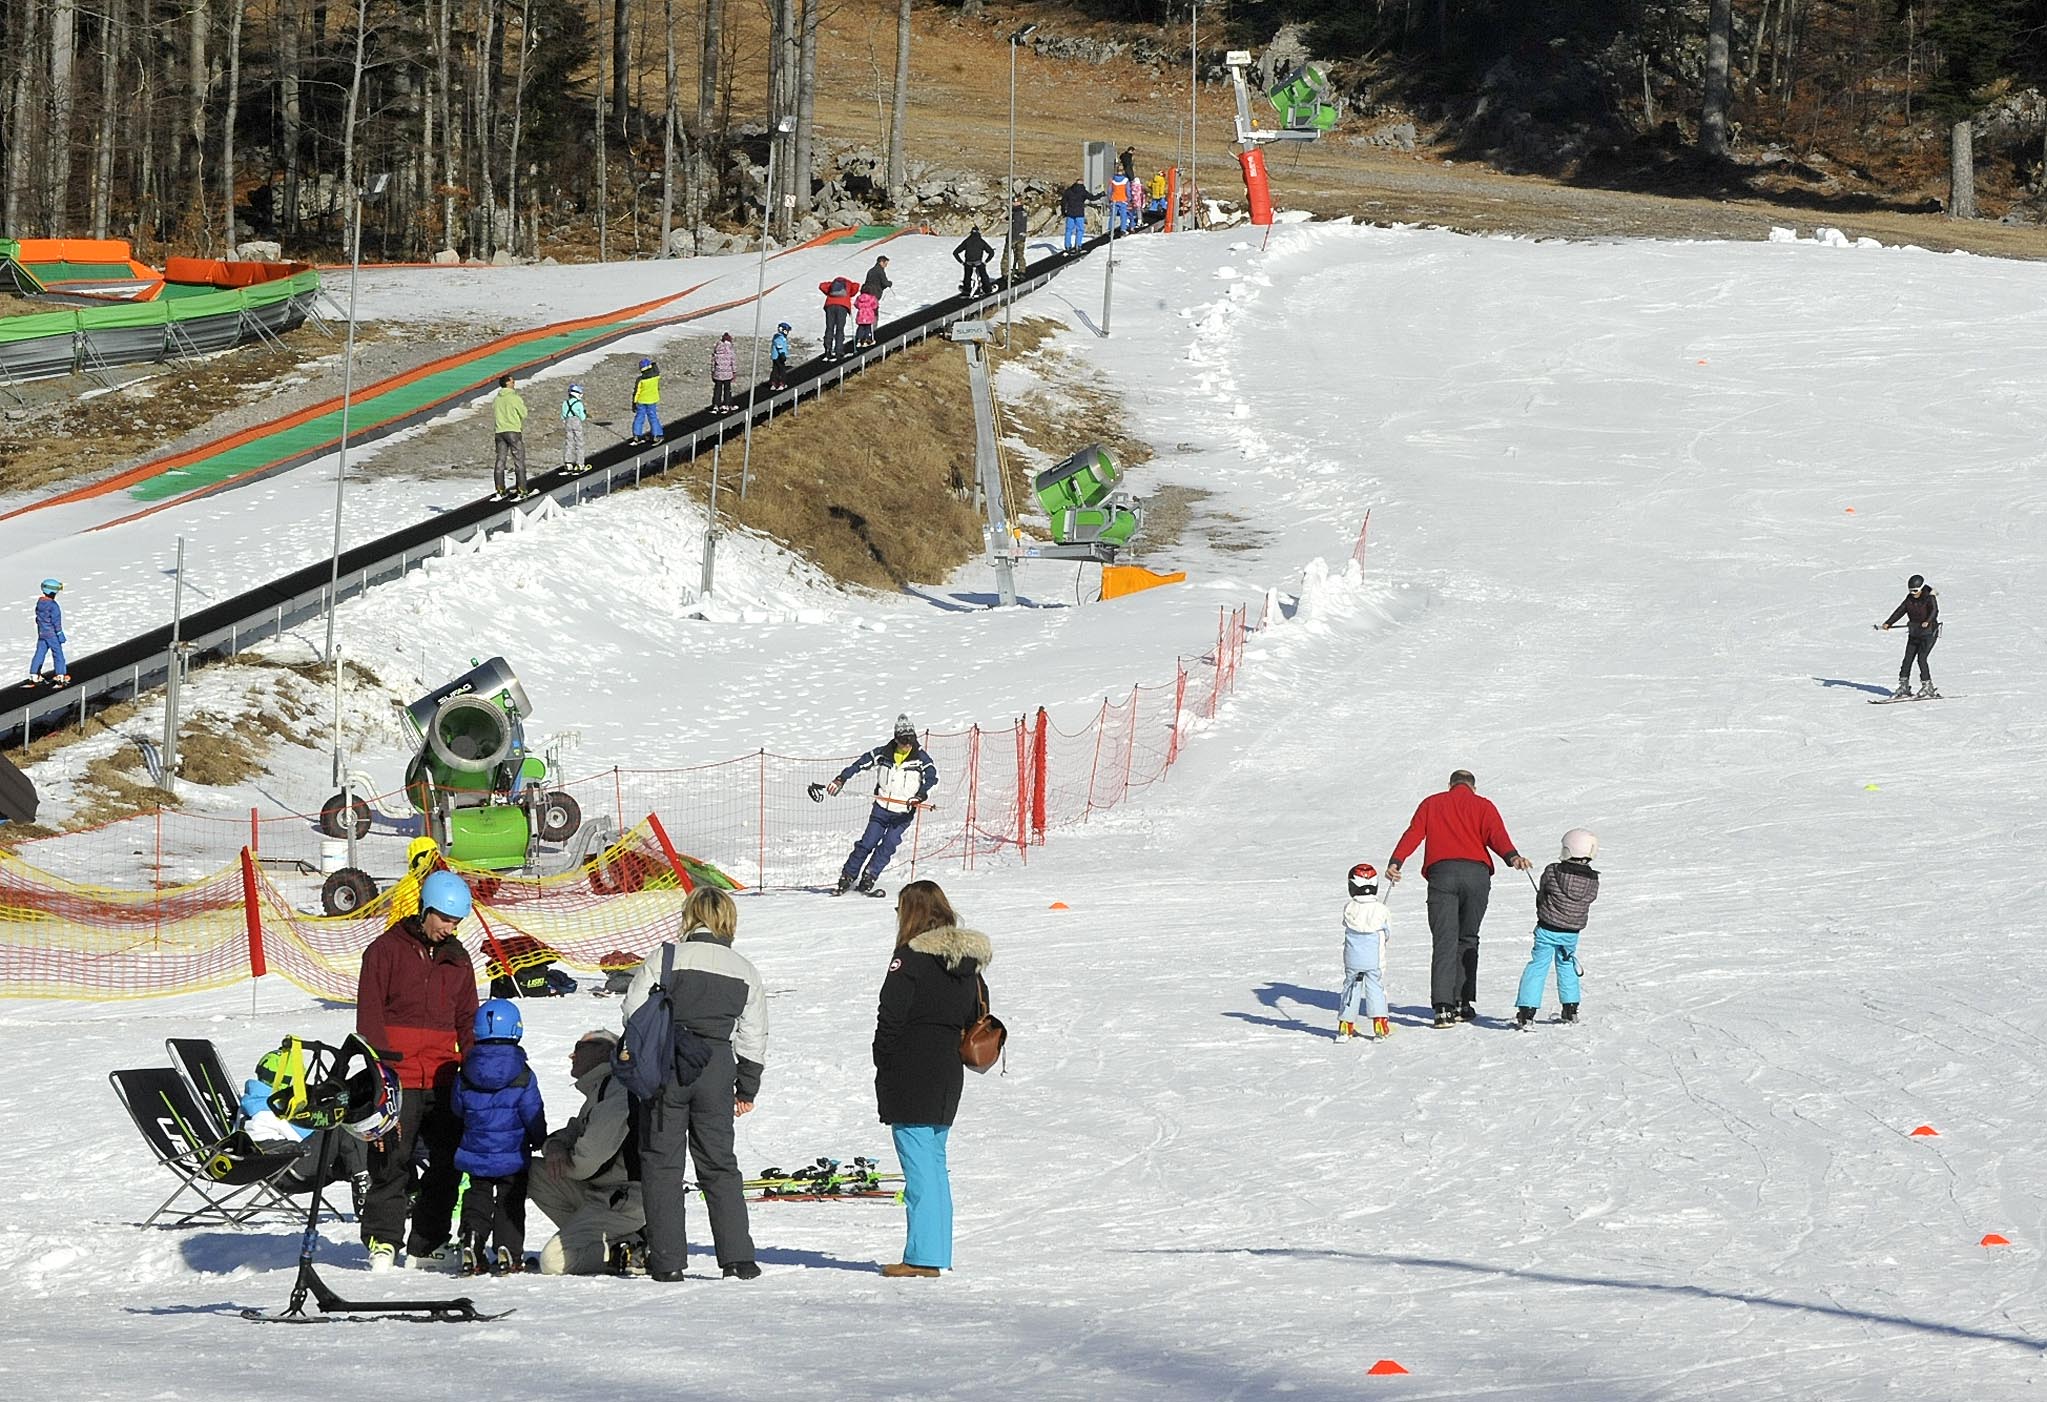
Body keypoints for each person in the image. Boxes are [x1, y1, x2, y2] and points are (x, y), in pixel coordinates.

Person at [622, 886, 766, 1283]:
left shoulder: (666, 957)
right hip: (717, 1066)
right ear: (727, 920)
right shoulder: (743, 968)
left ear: (690, 916)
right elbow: (754, 1036)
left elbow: (632, 1011)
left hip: (669, 1064)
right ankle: (738, 1258)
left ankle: (668, 1261)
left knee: (662, 1164)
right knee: (719, 1163)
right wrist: (747, 1086)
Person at [355, 868, 479, 1271]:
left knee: (447, 1163)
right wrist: (381, 1071)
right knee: (392, 1162)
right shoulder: (385, 951)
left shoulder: (459, 961)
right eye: (445, 919)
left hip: (444, 1077)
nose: (450, 928)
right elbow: (369, 1017)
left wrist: (474, 1066)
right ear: (425, 910)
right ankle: (382, 1241)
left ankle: (427, 1243)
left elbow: (468, 1020)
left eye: (457, 922)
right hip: (398, 1078)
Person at [873, 879, 993, 1279]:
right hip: (946, 1071)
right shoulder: (965, 965)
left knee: (920, 1166)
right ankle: (935, 1248)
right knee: (934, 1163)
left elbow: (890, 1016)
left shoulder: (909, 960)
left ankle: (923, 1257)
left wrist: (882, 1060)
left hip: (911, 1069)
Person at [1385, 769, 1530, 1028]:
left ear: (1450, 785)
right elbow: (1496, 835)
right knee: (1468, 937)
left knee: (1444, 941)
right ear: (1473, 787)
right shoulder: (1483, 805)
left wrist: (1397, 861)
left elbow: (1414, 833)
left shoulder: (1432, 803)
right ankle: (1463, 1003)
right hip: (1476, 876)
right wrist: (1512, 857)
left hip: (1442, 875)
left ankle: (1443, 1008)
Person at [530, 1029, 646, 1277]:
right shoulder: (601, 1088)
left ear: (605, 1051)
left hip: (627, 1200)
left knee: (552, 1262)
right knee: (532, 1171)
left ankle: (630, 1250)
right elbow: (572, 1130)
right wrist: (555, 1147)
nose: (572, 1055)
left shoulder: (619, 1090)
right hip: (601, 1193)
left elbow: (587, 1161)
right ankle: (623, 1241)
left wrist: (560, 1152)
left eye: (579, 1047)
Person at [450, 998, 546, 1275]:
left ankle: (471, 1240)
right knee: (511, 1198)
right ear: (516, 1030)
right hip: (513, 1153)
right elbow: (532, 1111)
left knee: (477, 1194)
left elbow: (457, 1108)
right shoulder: (523, 1073)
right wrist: (539, 1138)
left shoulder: (465, 1072)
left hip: (476, 1148)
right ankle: (508, 1250)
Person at [809, 713, 938, 896]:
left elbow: (933, 778)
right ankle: (848, 876)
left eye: (910, 739)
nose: (907, 743)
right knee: (867, 843)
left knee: (888, 845)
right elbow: (860, 764)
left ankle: (870, 875)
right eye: (903, 739)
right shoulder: (883, 753)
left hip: (903, 812)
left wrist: (920, 795)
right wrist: (841, 779)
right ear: (896, 738)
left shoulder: (921, 759)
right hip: (881, 808)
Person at [238, 1044, 371, 1203]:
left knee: (349, 1148)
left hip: (272, 1168)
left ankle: (367, 1178)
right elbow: (304, 1133)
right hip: (289, 1169)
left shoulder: (251, 1103)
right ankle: (366, 1187)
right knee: (340, 1124)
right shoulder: (272, 1108)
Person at [1516, 830, 1602, 1028]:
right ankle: (1570, 1009)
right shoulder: (1593, 880)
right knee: (1566, 964)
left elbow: (1544, 892)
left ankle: (1526, 1012)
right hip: (1571, 933)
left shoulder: (1553, 871)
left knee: (1538, 966)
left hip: (1547, 928)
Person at [1338, 862, 1392, 1042]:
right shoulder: (1381, 910)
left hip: (1353, 958)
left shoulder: (1349, 908)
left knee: (1351, 987)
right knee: (1375, 988)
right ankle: (1380, 1024)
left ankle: (1345, 1026)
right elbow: (1387, 932)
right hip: (1373, 959)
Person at [1876, 573, 1940, 700]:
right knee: (1907, 659)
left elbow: (1934, 611)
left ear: (1921, 588)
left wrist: (1928, 621)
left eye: (1915, 590)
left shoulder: (1929, 597)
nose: (1913, 593)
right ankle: (1904, 686)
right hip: (1915, 632)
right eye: (1910, 591)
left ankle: (1928, 686)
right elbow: (1901, 610)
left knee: (1922, 659)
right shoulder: (1910, 599)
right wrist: (1889, 622)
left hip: (1928, 633)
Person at [491, 375, 528, 500]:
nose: (514, 383)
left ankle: (500, 489)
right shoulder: (514, 397)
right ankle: (522, 489)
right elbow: (524, 413)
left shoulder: (497, 399)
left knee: (500, 460)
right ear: (507, 383)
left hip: (499, 431)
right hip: (513, 430)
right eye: (512, 381)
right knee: (519, 460)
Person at [28, 578, 67, 686]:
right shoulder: (53, 605)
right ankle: (60, 676)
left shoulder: (40, 602)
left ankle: (34, 675)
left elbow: (38, 618)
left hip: (42, 634)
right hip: (52, 634)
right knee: (58, 653)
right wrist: (60, 634)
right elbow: (56, 621)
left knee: (40, 653)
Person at [819, 274, 857, 361]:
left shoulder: (832, 284)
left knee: (829, 328)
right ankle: (838, 351)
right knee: (840, 329)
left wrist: (831, 284)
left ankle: (828, 350)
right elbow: (856, 286)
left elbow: (822, 286)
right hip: (842, 306)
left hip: (830, 306)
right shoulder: (848, 283)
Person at [953, 225, 995, 299]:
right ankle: (988, 289)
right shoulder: (981, 241)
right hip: (978, 262)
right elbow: (991, 252)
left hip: (968, 262)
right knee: (983, 275)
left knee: (967, 275)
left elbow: (955, 252)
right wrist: (985, 262)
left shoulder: (967, 241)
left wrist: (962, 262)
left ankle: (966, 290)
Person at [630, 357, 663, 444]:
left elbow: (637, 392)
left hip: (641, 401)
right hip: (652, 400)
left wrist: (634, 403)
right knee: (653, 417)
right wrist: (653, 364)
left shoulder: (640, 380)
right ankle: (656, 435)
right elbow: (656, 370)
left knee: (639, 417)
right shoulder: (656, 377)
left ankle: (637, 435)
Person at [1060, 179, 1099, 250]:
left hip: (1070, 213)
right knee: (1080, 230)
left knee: (1069, 230)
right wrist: (1100, 194)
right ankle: (1078, 245)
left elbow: (1063, 202)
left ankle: (1067, 245)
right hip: (1079, 214)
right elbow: (1092, 198)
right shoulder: (1083, 191)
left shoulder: (1069, 191)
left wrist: (1063, 212)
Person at [560, 382, 589, 470]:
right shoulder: (579, 404)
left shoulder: (565, 403)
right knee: (579, 443)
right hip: (576, 422)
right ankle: (580, 464)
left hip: (568, 422)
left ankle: (568, 463)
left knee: (569, 442)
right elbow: (583, 417)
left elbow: (563, 415)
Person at [711, 332, 738, 413]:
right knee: (727, 389)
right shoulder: (730, 351)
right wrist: (734, 372)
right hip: (727, 374)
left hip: (718, 373)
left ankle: (716, 405)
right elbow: (733, 362)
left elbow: (713, 363)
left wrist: (713, 372)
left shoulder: (717, 350)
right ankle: (727, 404)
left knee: (717, 389)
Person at [1007, 194, 1030, 285]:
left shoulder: (1017, 212)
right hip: (1020, 236)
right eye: (1013, 202)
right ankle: (1021, 271)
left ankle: (1019, 272)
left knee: (1015, 254)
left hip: (1016, 237)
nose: (1014, 203)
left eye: (1016, 202)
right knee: (1019, 254)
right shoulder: (1021, 212)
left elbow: (1016, 225)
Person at [768, 322, 792, 391]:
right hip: (779, 356)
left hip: (775, 356)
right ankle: (781, 383)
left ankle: (773, 383)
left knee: (775, 370)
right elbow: (780, 346)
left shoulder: (778, 337)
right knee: (781, 370)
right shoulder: (779, 338)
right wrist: (782, 354)